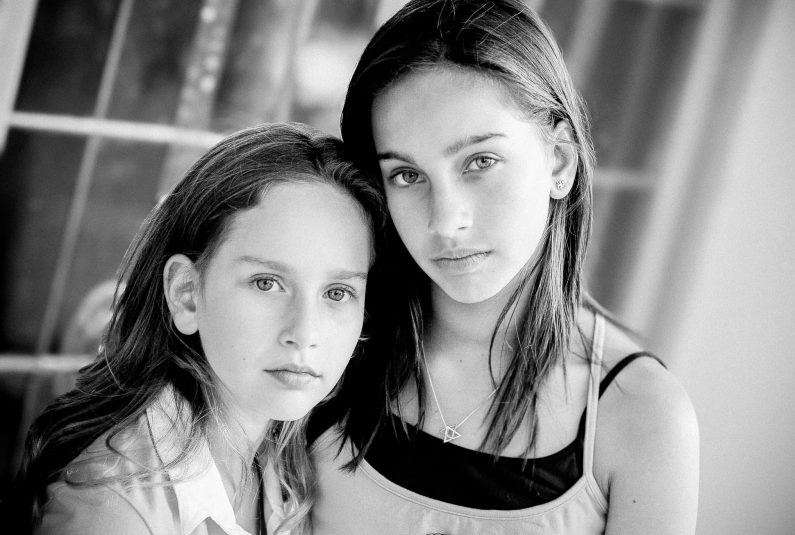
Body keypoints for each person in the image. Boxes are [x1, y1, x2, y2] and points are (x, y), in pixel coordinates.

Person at [308, 0, 699, 533]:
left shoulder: (639, 415)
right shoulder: (327, 341)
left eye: (480, 162)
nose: (445, 222)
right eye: (406, 175)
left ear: (559, 159)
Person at [10, 122, 383, 534]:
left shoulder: (293, 471)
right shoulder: (112, 510)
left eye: (337, 293)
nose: (305, 332)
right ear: (186, 293)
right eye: (266, 283)